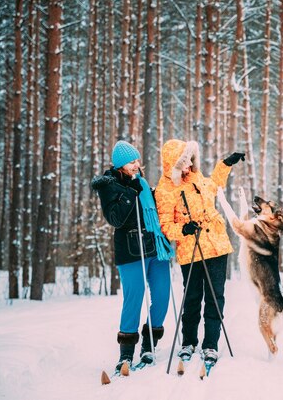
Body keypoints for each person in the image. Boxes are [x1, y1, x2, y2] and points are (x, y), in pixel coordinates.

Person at [155, 139, 245, 365]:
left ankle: (211, 344)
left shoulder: (197, 177)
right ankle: (188, 341)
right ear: (173, 165)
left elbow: (214, 186)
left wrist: (225, 164)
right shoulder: (166, 189)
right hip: (190, 248)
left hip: (216, 244)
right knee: (192, 296)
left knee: (216, 296)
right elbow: (165, 225)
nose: (188, 167)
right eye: (184, 164)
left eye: (189, 161)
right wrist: (183, 229)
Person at [91, 140, 175, 372]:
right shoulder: (109, 185)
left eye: (137, 160)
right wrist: (130, 193)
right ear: (120, 165)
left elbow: (154, 211)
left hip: (154, 247)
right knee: (134, 299)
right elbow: (115, 219)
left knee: (162, 296)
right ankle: (126, 353)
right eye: (131, 162)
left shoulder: (143, 184)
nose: (137, 165)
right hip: (129, 250)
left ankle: (149, 344)